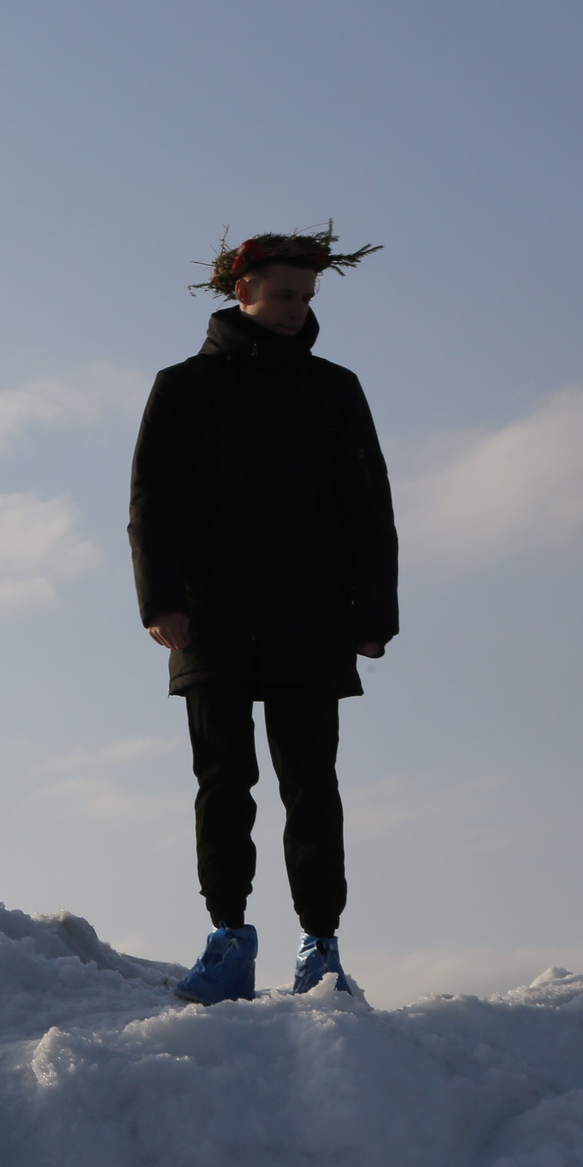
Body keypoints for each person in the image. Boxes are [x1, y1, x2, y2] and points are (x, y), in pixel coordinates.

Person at [126, 227, 396, 1004]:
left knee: (312, 783)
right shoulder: (182, 386)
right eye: (283, 295)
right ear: (241, 290)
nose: (296, 310)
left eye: (307, 298)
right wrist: (163, 601)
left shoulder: (334, 388)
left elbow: (368, 508)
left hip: (312, 619)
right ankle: (228, 938)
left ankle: (322, 945)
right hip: (208, 620)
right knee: (223, 781)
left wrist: (373, 613)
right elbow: (152, 504)